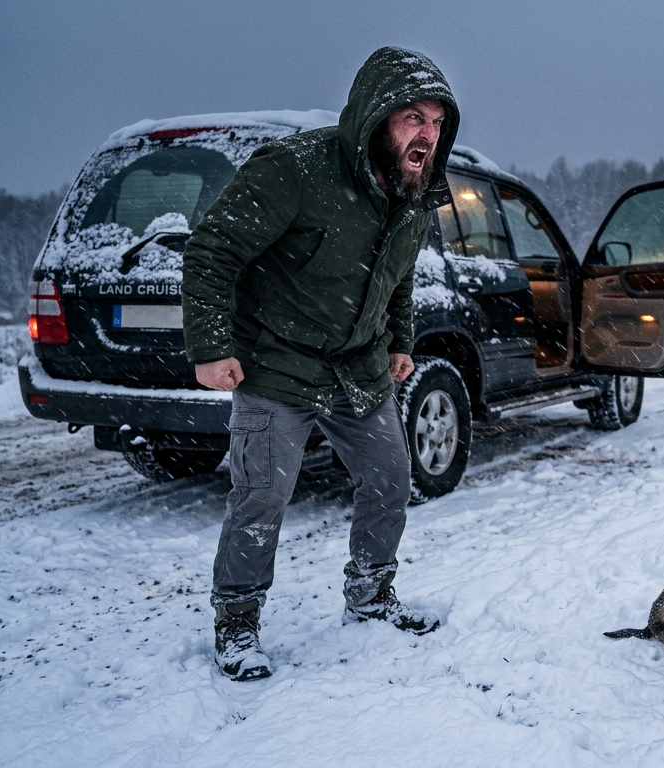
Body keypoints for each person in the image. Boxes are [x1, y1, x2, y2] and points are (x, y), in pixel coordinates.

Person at [181, 47, 460, 682]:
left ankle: (371, 596)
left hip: (357, 367)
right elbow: (211, 251)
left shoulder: (415, 192)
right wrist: (209, 347)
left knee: (391, 476)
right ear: (375, 114)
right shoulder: (296, 170)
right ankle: (238, 625)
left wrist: (399, 339)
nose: (427, 134)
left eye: (438, 122)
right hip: (276, 363)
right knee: (261, 497)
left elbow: (397, 278)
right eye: (414, 117)